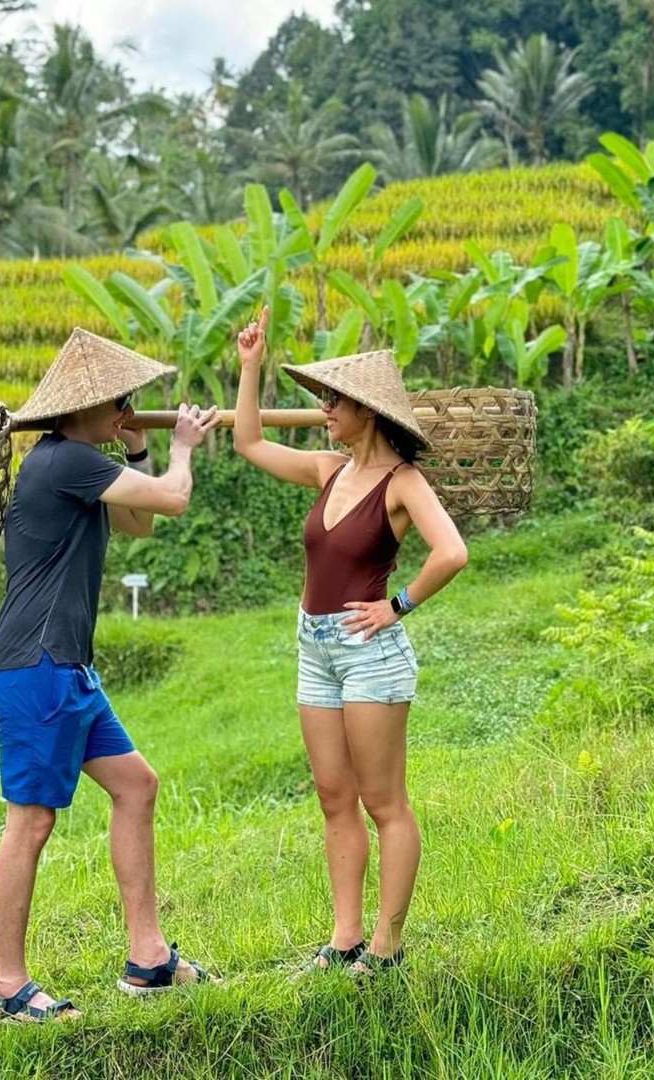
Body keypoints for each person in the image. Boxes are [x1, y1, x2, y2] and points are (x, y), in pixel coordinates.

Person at [0, 329, 220, 1021]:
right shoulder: (64, 460)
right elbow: (173, 500)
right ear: (82, 407)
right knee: (31, 822)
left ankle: (148, 958)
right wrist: (181, 447)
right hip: (37, 668)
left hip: (67, 669)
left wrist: (140, 448)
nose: (127, 409)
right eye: (119, 401)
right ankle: (9, 988)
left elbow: (138, 524)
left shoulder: (82, 464)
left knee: (136, 786)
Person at [233, 308, 468, 975]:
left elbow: (452, 552)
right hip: (315, 649)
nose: (324, 409)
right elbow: (249, 443)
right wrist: (250, 365)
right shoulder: (327, 469)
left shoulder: (403, 482)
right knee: (334, 797)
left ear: (368, 410)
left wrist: (397, 606)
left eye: (334, 400)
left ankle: (388, 946)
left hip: (370, 654)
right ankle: (345, 938)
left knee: (382, 802)